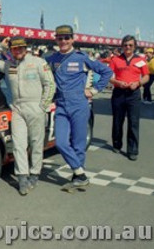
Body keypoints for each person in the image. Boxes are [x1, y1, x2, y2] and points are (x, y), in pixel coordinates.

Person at [0, 36, 55, 195]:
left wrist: (43, 106)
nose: (18, 51)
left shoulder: (38, 62)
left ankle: (35, 174)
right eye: (14, 48)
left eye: (21, 48)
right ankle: (22, 177)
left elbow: (50, 85)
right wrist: (1, 47)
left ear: (26, 48)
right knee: (18, 145)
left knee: (36, 143)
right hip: (17, 108)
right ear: (11, 50)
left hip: (35, 107)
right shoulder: (8, 64)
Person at [46, 25, 112, 187]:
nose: (63, 41)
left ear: (72, 39)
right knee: (61, 143)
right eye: (60, 38)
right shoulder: (52, 59)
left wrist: (94, 90)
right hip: (61, 104)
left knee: (78, 143)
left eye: (67, 38)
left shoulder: (81, 57)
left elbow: (106, 72)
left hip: (79, 104)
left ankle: (77, 177)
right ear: (56, 40)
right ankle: (80, 173)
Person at [109, 35, 149, 161]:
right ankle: (117, 144)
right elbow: (109, 76)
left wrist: (138, 83)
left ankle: (132, 150)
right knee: (117, 121)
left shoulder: (141, 60)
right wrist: (117, 82)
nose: (128, 47)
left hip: (134, 94)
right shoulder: (115, 59)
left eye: (130, 45)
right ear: (122, 46)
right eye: (125, 45)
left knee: (133, 122)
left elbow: (146, 76)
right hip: (118, 93)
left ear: (135, 46)